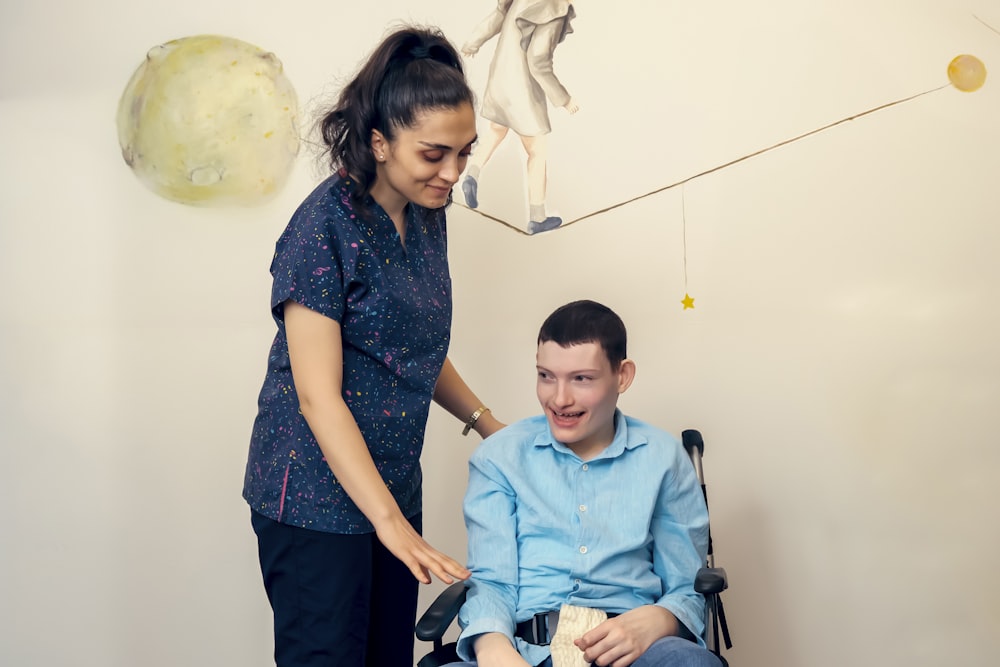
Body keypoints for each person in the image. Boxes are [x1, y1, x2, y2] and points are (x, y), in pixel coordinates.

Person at [242, 25, 505, 667]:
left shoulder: (426, 216)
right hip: (311, 500)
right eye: (434, 154)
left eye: (464, 154)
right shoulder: (320, 229)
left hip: (390, 488)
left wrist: (491, 427)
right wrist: (390, 525)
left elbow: (411, 347)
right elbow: (316, 395)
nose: (452, 173)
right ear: (379, 142)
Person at [446, 300, 722, 667]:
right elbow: (491, 581)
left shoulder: (663, 459)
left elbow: (685, 588)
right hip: (526, 650)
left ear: (622, 375)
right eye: (546, 376)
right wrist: (493, 650)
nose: (559, 399)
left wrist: (660, 619)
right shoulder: (499, 457)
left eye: (581, 379)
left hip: (635, 649)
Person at [460, 0, 579, 235]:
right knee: (537, 151)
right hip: (522, 90)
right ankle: (537, 217)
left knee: (496, 131)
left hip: (501, 78)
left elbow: (497, 17)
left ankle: (472, 173)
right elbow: (538, 61)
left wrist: (472, 43)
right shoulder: (554, 8)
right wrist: (564, 99)